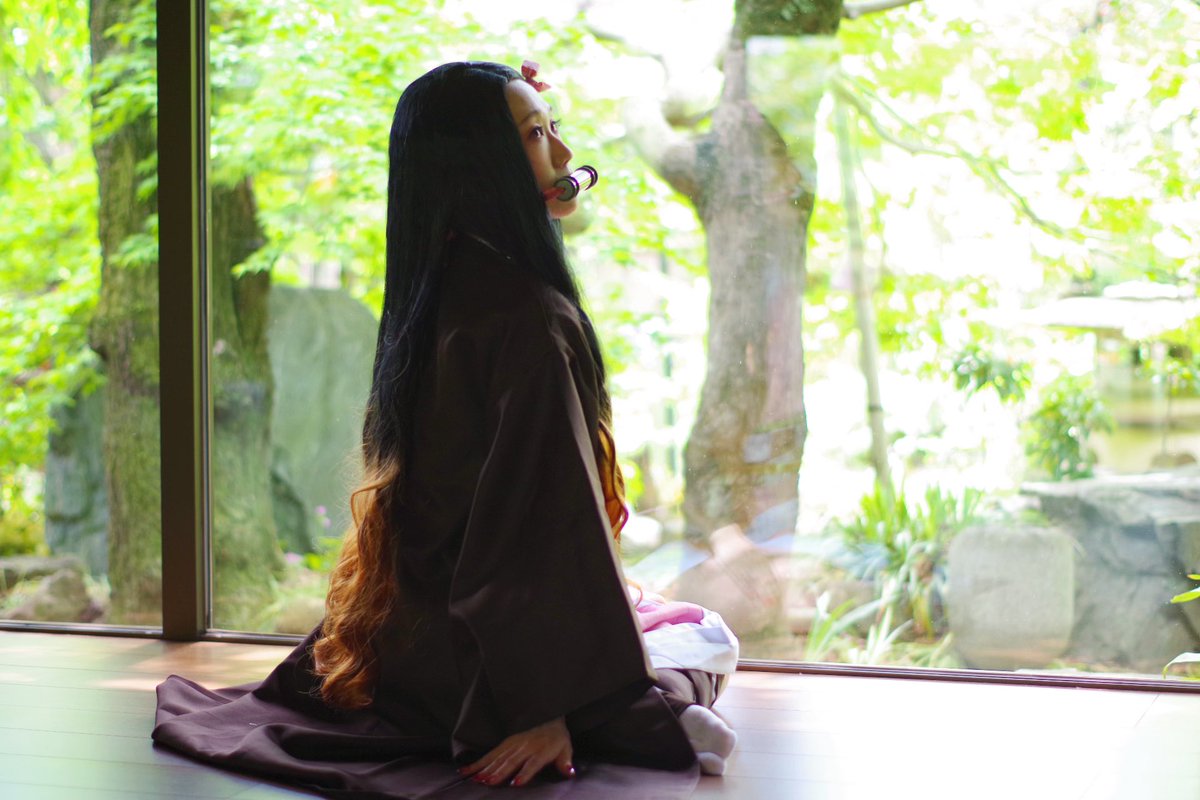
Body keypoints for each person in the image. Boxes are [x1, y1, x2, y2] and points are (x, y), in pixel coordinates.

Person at [152, 61, 738, 798]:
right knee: (707, 634)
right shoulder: (528, 316)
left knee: (646, 612)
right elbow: (540, 521)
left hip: (407, 645)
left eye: (553, 129)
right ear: (478, 165)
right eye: (534, 136)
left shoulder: (441, 288)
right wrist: (542, 705)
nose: (564, 155)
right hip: (487, 672)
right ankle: (656, 715)